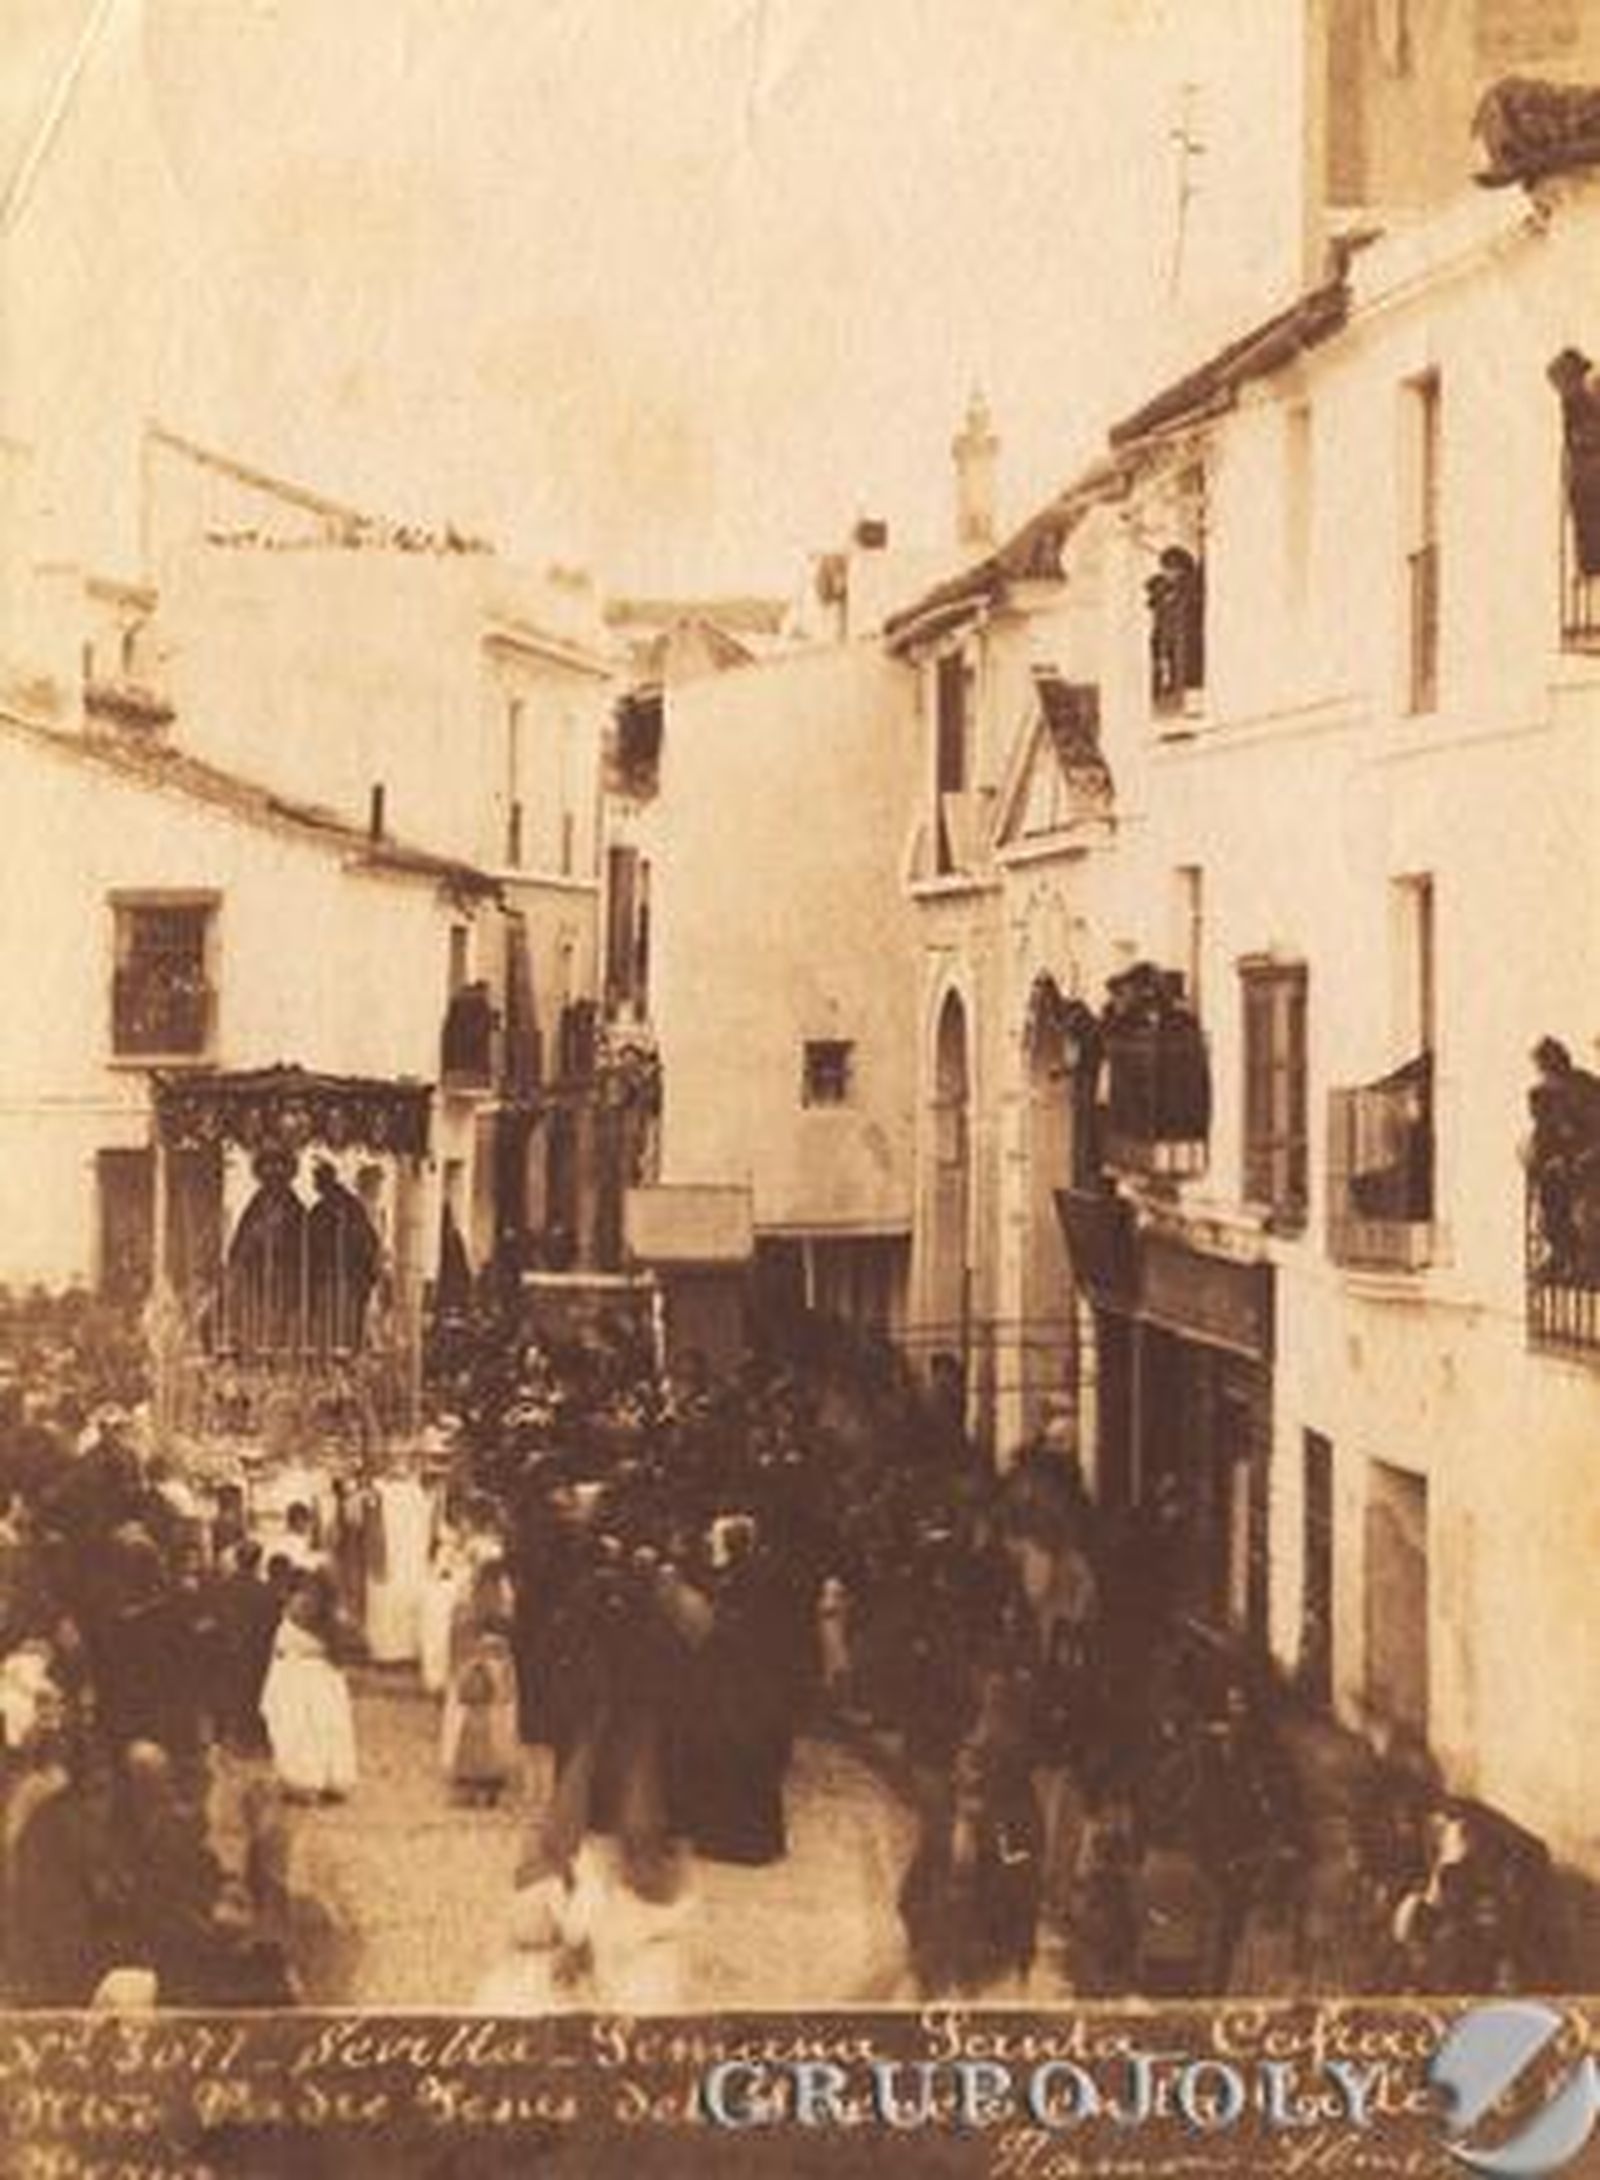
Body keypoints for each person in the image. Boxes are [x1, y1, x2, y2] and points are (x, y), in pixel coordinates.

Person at [260, 1574, 357, 1804]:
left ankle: (304, 1780)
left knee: (299, 1729)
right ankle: (332, 1779)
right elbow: (342, 1650)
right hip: (325, 1677)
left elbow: (281, 1644)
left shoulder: (296, 1609)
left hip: (295, 1676)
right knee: (326, 1729)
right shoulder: (334, 1617)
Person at [441, 1564, 520, 1807]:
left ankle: (482, 1782)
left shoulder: (481, 1613)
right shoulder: (472, 1612)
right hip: (484, 1674)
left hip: (487, 1674)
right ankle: (481, 1783)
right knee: (486, 1729)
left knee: (488, 1729)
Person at [222, 1150, 308, 1357]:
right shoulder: (257, 1203)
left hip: (285, 1271)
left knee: (282, 1314)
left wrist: (282, 1243)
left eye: (279, 1173)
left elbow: (303, 1237)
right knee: (257, 1314)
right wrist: (254, 1240)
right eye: (269, 1173)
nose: (274, 1180)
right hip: (256, 1272)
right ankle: (255, 1349)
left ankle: (280, 1351)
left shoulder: (294, 1204)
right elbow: (242, 1238)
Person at [306, 1160, 381, 1354]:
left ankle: (341, 1364)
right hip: (335, 1280)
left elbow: (368, 1242)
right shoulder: (323, 1211)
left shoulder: (342, 1209)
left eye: (318, 1181)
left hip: (343, 1280)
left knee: (340, 1326)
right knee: (335, 1327)